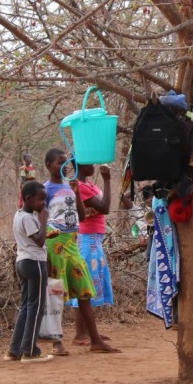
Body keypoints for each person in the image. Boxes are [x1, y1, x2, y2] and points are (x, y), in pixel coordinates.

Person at [43, 149, 121, 354]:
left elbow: (82, 217)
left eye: (65, 163)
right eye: (59, 163)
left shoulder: (70, 186)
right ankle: (57, 342)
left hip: (72, 243)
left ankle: (95, 340)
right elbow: (41, 218)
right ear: (48, 165)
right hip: (55, 243)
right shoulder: (46, 189)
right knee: (55, 291)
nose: (64, 166)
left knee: (84, 290)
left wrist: (76, 193)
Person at [6, 181, 53, 363]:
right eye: (41, 199)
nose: (44, 204)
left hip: (22, 262)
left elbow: (35, 237)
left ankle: (15, 349)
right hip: (35, 263)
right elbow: (39, 241)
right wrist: (43, 220)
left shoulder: (19, 215)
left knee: (26, 306)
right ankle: (30, 350)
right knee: (36, 307)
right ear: (28, 199)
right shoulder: (29, 218)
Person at [68, 164, 115, 345]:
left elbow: (100, 208)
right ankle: (80, 333)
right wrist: (107, 180)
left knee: (90, 283)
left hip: (94, 238)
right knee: (84, 286)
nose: (93, 166)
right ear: (80, 164)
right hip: (88, 238)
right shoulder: (80, 186)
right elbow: (104, 208)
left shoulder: (87, 185)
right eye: (89, 163)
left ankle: (88, 331)